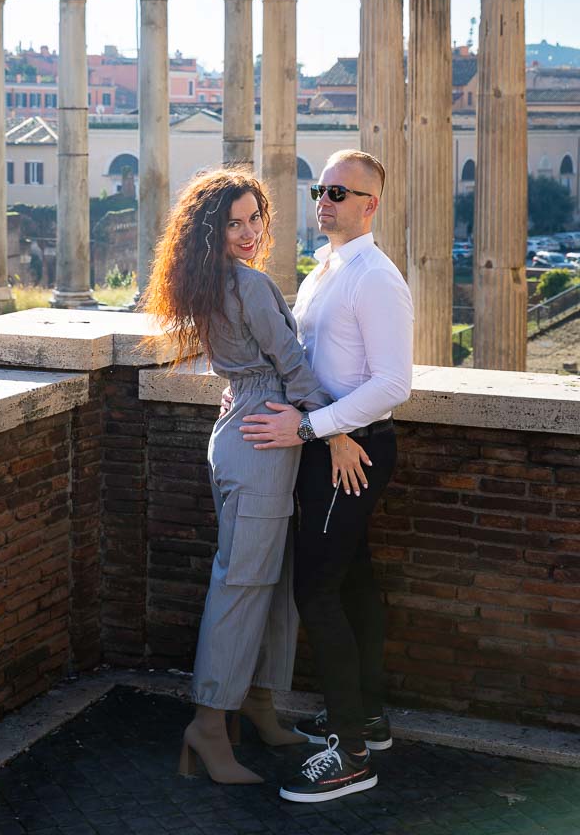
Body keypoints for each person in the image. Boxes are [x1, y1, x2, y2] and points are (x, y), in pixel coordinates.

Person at [140, 166, 329, 786]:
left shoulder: (210, 282)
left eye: (255, 219)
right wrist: (335, 425)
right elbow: (292, 364)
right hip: (263, 434)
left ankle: (260, 704)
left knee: (271, 577)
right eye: (233, 223)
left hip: (246, 428)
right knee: (246, 582)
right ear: (210, 232)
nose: (248, 233)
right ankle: (210, 725)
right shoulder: (246, 284)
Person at [238, 149, 413, 804]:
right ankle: (367, 715)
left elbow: (394, 383)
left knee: (318, 589)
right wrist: (325, 430)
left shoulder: (376, 277)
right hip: (337, 444)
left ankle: (351, 755)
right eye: (321, 188)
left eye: (341, 192)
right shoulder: (327, 269)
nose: (326, 200)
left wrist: (318, 430)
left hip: (357, 453)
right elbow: (310, 362)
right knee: (355, 581)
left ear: (371, 205)